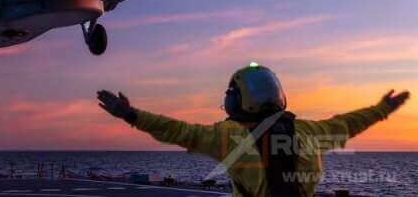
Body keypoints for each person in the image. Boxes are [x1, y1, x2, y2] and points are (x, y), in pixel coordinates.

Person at [98, 62, 410, 197]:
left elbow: (178, 131)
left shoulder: (230, 137)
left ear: (237, 99)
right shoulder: (309, 131)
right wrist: (383, 109)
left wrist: (131, 114)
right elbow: (351, 123)